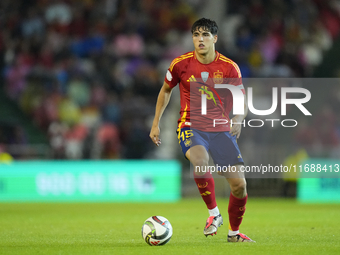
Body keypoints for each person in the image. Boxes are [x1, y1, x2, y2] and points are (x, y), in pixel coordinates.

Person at [149, 18, 254, 242]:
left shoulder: (229, 67)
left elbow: (242, 100)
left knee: (239, 186)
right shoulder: (180, 64)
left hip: (219, 129)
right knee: (200, 160)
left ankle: (234, 234)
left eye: (205, 35)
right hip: (191, 125)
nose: (200, 39)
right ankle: (213, 214)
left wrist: (239, 117)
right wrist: (156, 122)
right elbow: (166, 90)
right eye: (196, 35)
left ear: (215, 38)